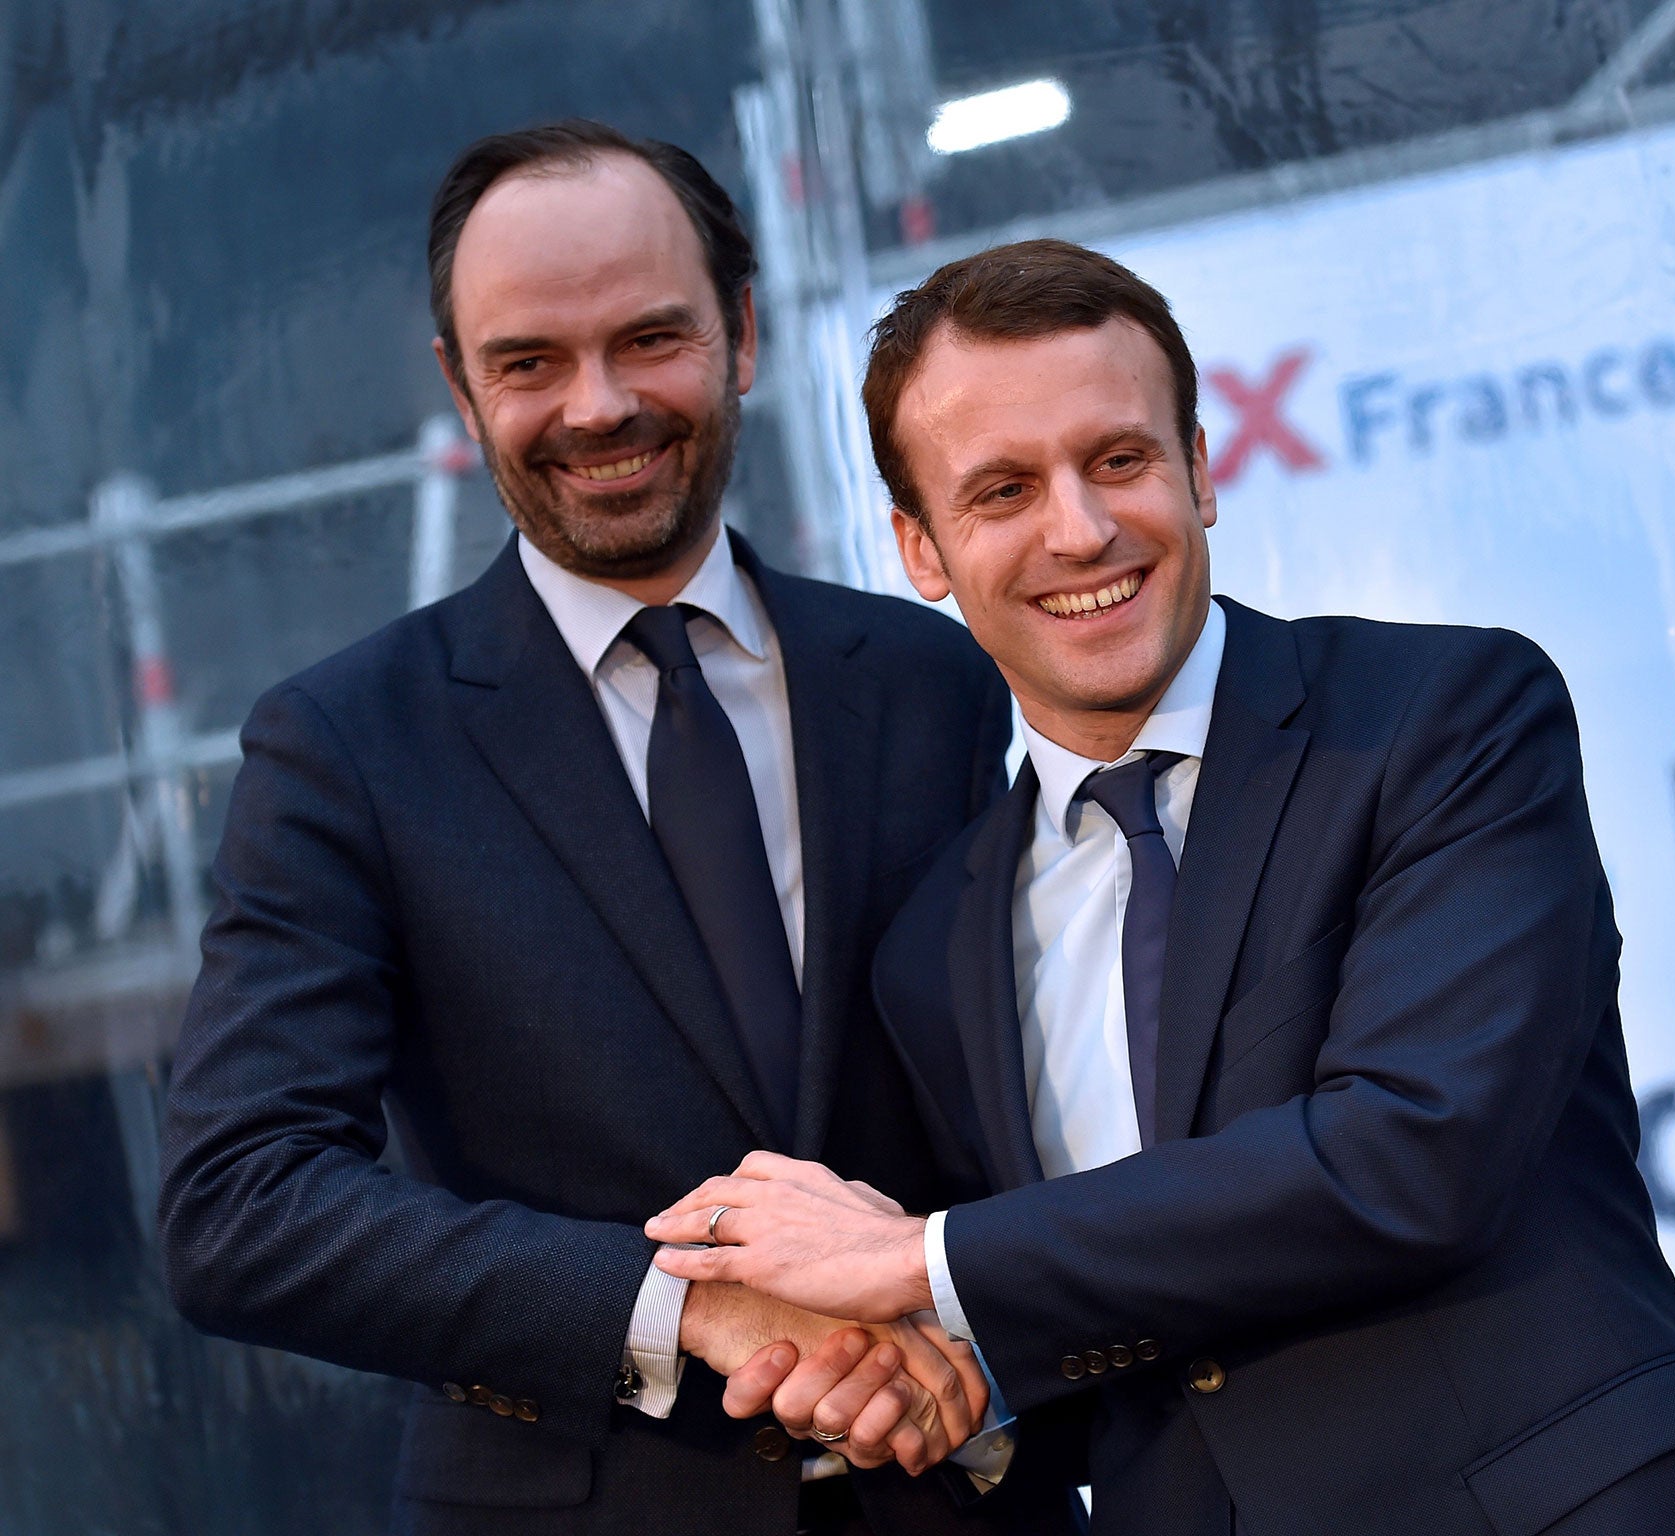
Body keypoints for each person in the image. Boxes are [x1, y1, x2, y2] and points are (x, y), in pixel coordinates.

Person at [648, 239, 1675, 1536]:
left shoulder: (1445, 721)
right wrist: (960, 1393)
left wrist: (917, 1256)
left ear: (1199, 469)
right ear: (922, 548)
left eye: (1118, 460)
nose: (1078, 529)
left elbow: (1412, 1157)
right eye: (1005, 489)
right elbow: (1119, 1340)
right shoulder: (934, 949)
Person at [156, 123, 1081, 1536]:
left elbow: (1018, 1107)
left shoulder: (933, 680)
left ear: (744, 334)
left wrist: (976, 1340)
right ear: (461, 390)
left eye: (650, 338)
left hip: (953, 1494)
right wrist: (690, 1306)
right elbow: (241, 1207)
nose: (598, 407)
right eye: (529, 362)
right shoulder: (343, 747)